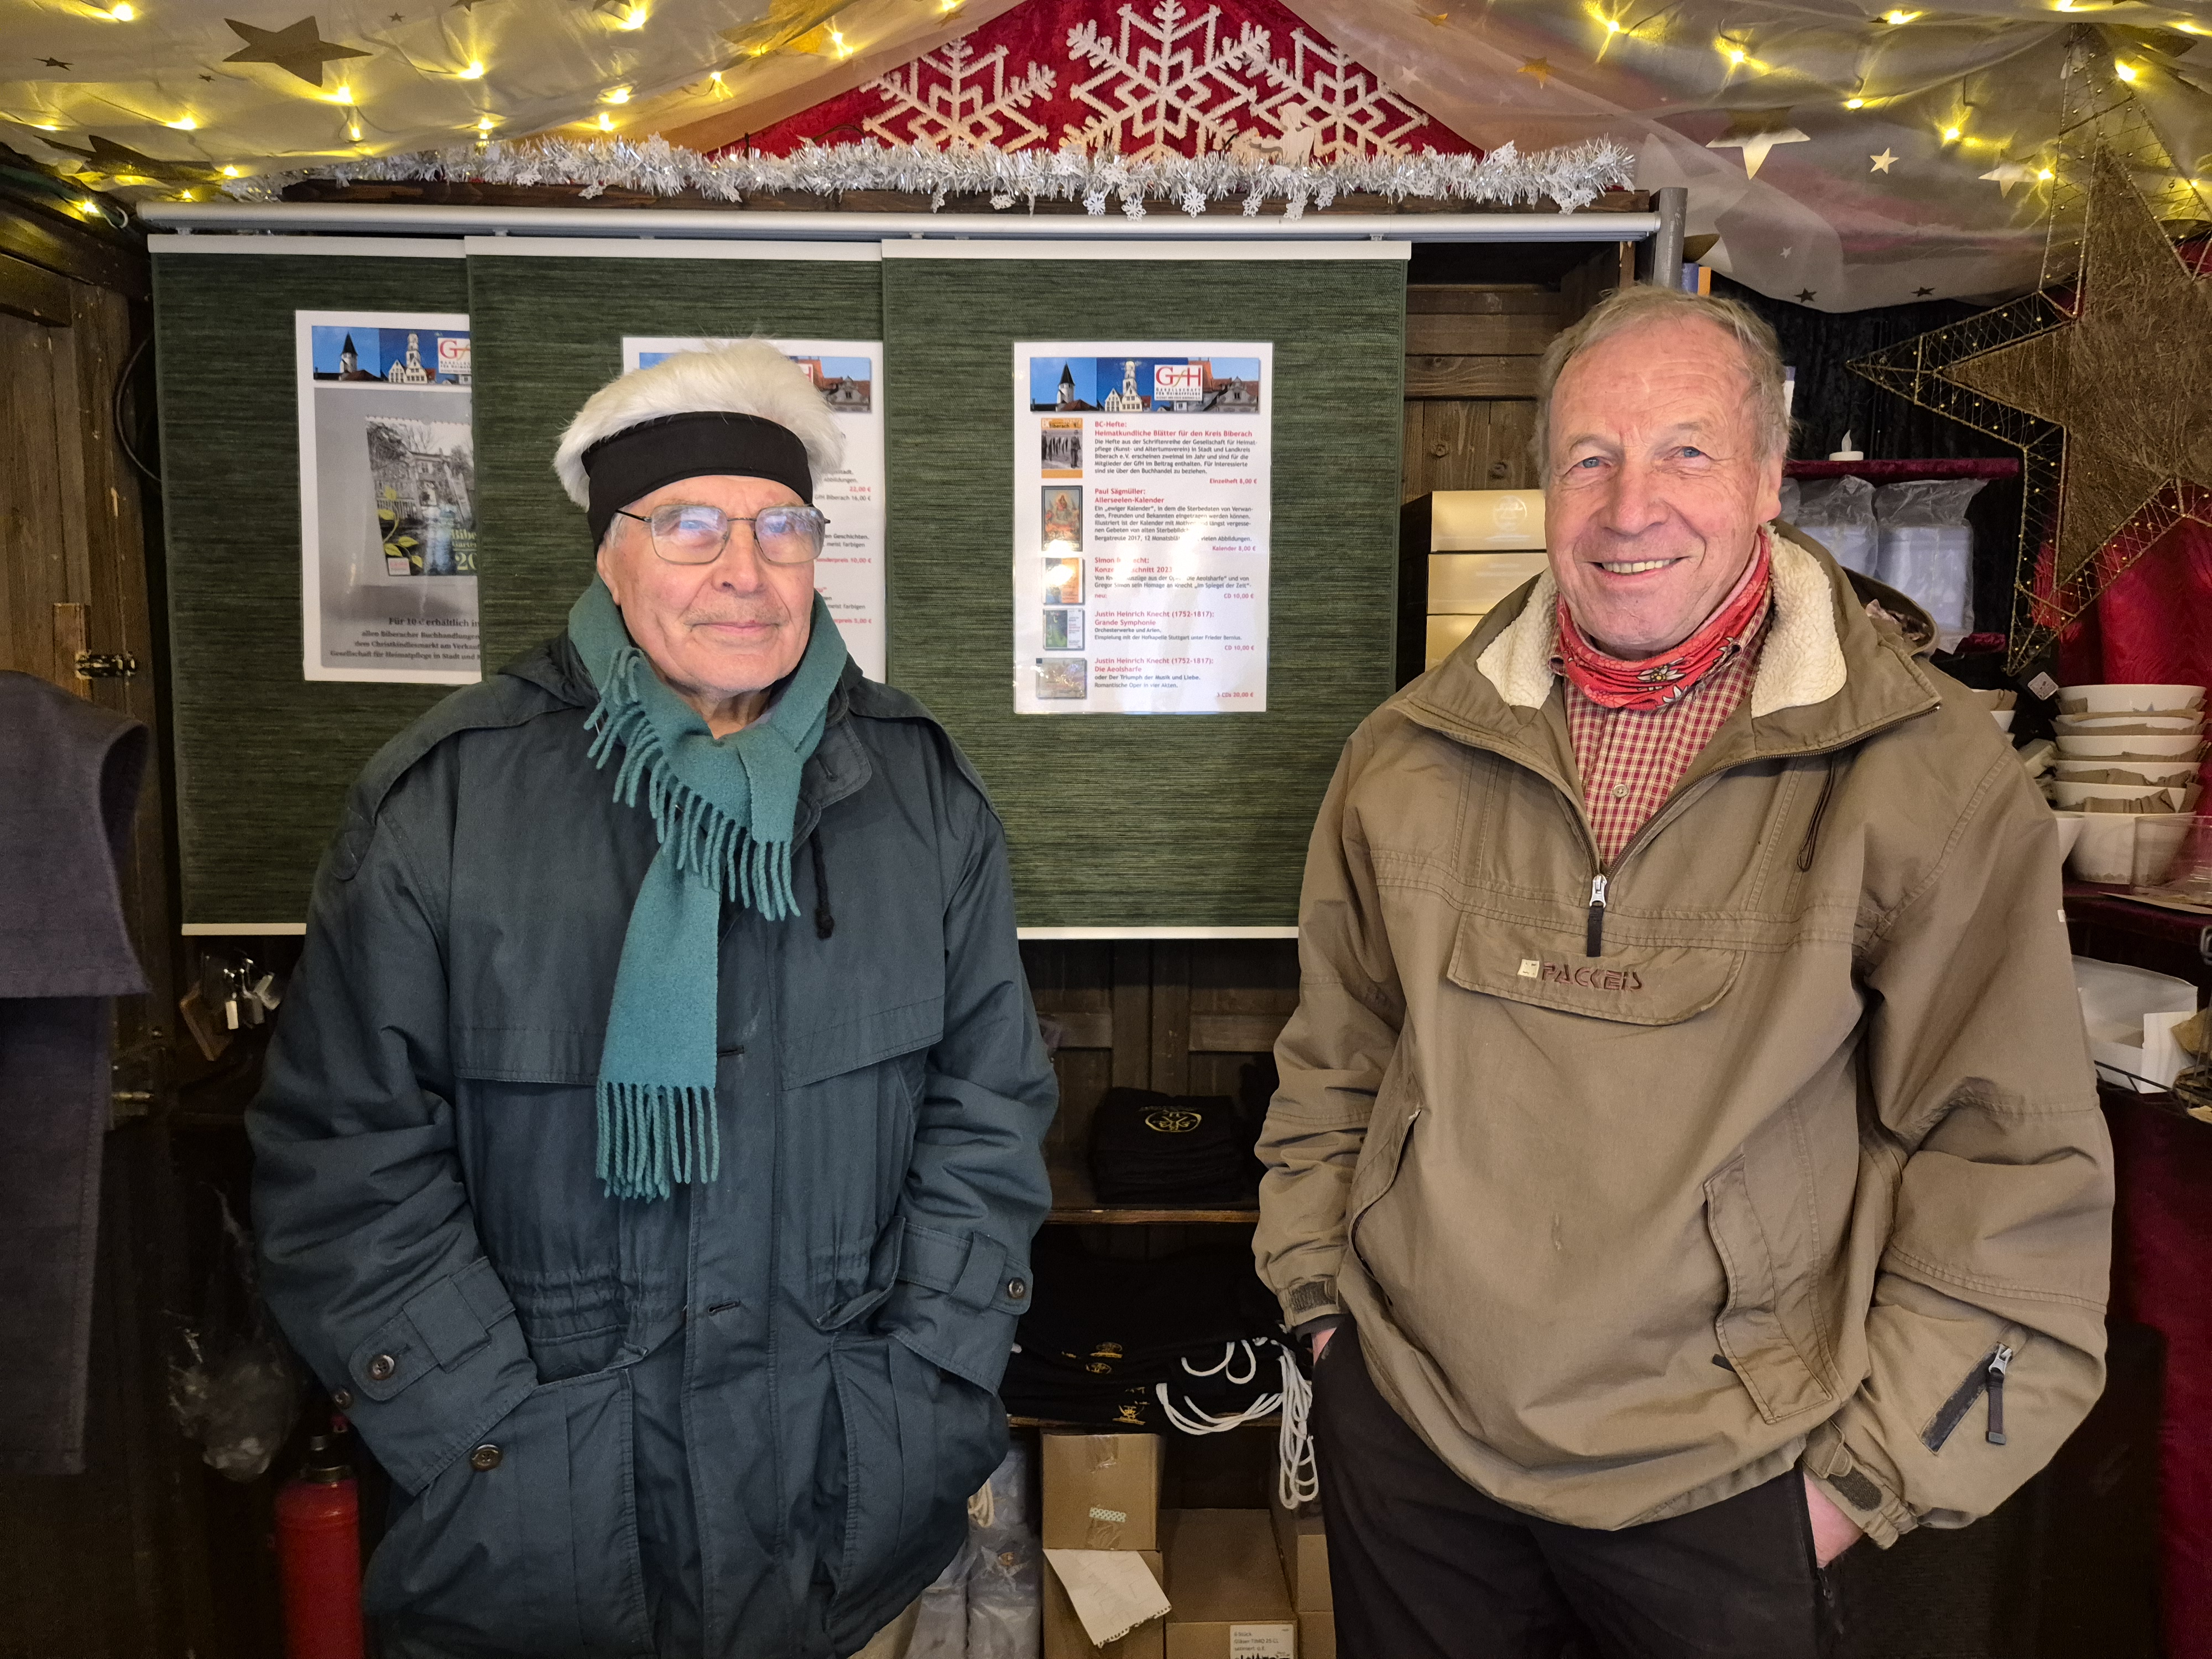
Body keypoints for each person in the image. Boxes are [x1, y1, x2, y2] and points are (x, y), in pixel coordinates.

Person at [1254, 285, 2112, 1658]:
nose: (1627, 506)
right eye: (1587, 458)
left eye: (1684, 452)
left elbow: (2006, 1166)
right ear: (1544, 487)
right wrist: (1324, 1326)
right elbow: (1335, 1064)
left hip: (1735, 1488)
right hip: (1414, 1451)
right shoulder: (1402, 756)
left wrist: (1852, 1487)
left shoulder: (1929, 777)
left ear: (1770, 477)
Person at [251, 342, 1056, 1658]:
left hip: (842, 1507)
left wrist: (929, 1381)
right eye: (689, 525)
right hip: (533, 1528)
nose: (745, 570)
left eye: (781, 527)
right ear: (609, 555)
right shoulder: (442, 806)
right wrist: (478, 1435)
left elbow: (987, 1111)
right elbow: (344, 1160)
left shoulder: (919, 799)